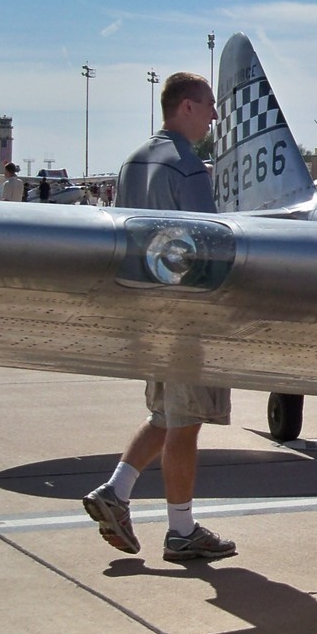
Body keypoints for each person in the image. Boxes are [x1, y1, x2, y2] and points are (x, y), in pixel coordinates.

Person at [81, 71, 237, 564]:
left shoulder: (131, 164)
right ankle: (181, 530)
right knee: (186, 422)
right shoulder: (186, 167)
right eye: (209, 105)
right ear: (186, 107)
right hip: (186, 312)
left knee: (165, 415)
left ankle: (115, 490)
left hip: (148, 308)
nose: (214, 115)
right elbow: (208, 238)